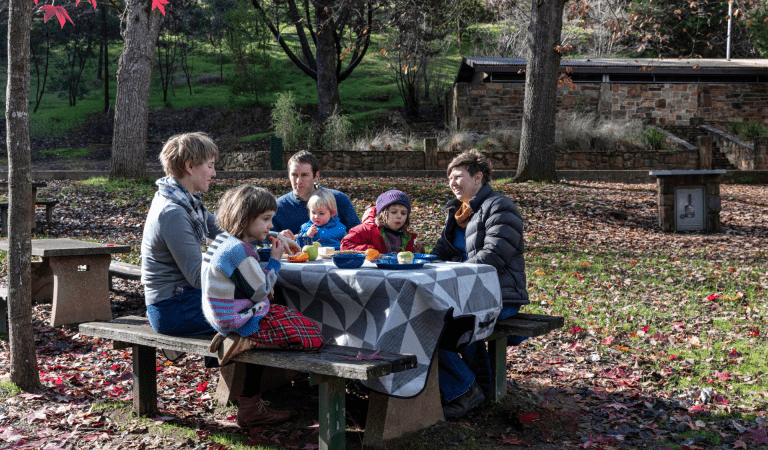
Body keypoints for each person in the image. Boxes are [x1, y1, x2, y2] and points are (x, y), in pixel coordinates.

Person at [140, 133, 281, 429]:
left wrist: (271, 234)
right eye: (210, 165)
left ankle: (256, 390)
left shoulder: (185, 201)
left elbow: (226, 229)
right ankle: (251, 405)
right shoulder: (173, 212)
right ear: (190, 166)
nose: (214, 173)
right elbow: (196, 277)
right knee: (262, 314)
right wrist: (242, 274)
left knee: (262, 303)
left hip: (180, 300)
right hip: (173, 307)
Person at [202, 185, 324, 427]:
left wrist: (276, 237)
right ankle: (248, 340)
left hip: (226, 313)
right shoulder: (238, 252)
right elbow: (261, 292)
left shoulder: (225, 241)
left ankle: (251, 403)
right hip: (240, 317)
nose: (271, 225)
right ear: (244, 218)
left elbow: (251, 283)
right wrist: (275, 262)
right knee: (314, 336)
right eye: (266, 219)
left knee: (287, 313)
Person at [431, 149, 529, 419]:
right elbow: (440, 251)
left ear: (478, 178)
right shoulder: (457, 212)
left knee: (443, 329)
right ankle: (474, 387)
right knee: (422, 321)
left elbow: (494, 255)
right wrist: (421, 263)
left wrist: (454, 274)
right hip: (463, 294)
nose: (452, 182)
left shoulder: (500, 207)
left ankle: (465, 390)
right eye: (449, 177)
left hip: (500, 296)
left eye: (458, 176)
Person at [273, 151, 360, 237]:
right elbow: (265, 242)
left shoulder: (339, 199)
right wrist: (278, 237)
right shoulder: (278, 207)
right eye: (294, 175)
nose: (298, 181)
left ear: (316, 176)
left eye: (304, 175)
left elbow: (360, 235)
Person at [340, 189, 417, 254]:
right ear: (382, 214)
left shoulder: (406, 237)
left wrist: (416, 251)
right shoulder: (367, 230)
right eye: (394, 212)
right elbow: (346, 245)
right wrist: (370, 251)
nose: (399, 216)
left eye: (403, 213)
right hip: (370, 270)